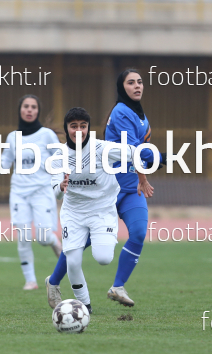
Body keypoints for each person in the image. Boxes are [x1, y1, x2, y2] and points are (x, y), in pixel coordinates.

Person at [46, 69, 165, 308]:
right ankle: (55, 281)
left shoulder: (140, 116)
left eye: (140, 82)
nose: (137, 86)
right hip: (109, 190)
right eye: (131, 82)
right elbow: (134, 149)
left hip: (131, 189)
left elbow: (137, 152)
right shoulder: (121, 112)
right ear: (121, 87)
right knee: (79, 244)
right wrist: (155, 162)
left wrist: (151, 166)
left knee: (138, 233)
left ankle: (117, 286)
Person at [50, 107, 137, 314]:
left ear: (88, 128)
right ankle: (85, 307)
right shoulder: (59, 155)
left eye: (83, 126)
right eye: (73, 126)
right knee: (73, 262)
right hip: (74, 213)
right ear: (67, 129)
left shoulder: (101, 148)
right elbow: (56, 193)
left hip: (102, 210)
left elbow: (134, 153)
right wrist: (61, 186)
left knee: (104, 258)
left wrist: (143, 174)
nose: (78, 131)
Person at [0, 94, 62, 290]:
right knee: (23, 237)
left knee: (43, 238)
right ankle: (30, 281)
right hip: (19, 192)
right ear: (20, 109)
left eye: (33, 107)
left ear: (38, 111)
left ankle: (54, 242)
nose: (29, 110)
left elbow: (60, 157)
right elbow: (6, 159)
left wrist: (61, 179)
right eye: (26, 106)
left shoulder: (46, 135)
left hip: (42, 191)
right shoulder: (12, 137)